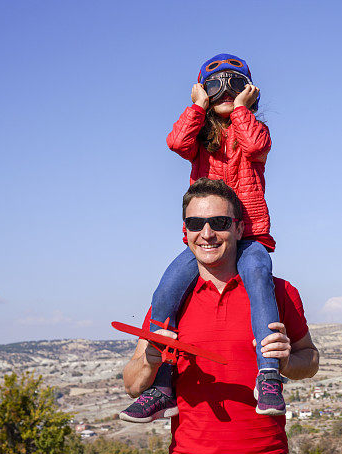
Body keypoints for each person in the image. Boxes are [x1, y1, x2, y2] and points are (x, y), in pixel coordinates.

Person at [123, 178, 319, 454]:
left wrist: (288, 361)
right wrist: (151, 359)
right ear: (185, 232)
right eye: (196, 224)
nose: (207, 233)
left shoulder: (279, 293)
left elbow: (312, 360)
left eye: (220, 222)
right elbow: (132, 384)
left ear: (240, 227)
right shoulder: (168, 301)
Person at [120, 53, 285, 423]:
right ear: (203, 92)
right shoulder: (200, 136)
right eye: (216, 85)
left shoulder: (253, 130)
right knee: (167, 289)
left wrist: (241, 110)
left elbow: (256, 147)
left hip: (249, 234)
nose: (226, 91)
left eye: (236, 84)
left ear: (250, 92)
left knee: (258, 277)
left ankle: (269, 375)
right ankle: (164, 386)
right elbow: (177, 143)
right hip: (206, 238)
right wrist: (198, 105)